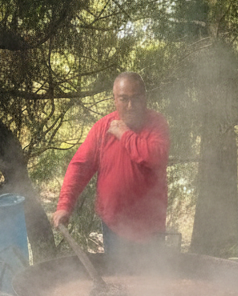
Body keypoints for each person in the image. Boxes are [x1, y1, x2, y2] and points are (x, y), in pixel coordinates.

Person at [52, 72, 170, 253]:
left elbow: (154, 157)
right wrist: (64, 206)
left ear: (144, 97)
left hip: (150, 229)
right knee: (117, 279)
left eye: (136, 98)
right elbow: (80, 167)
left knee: (149, 279)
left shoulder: (157, 124)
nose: (130, 106)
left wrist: (124, 135)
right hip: (114, 226)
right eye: (123, 99)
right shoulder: (102, 127)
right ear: (114, 99)